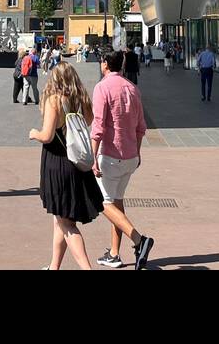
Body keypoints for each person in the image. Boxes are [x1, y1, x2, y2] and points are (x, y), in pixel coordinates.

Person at [29, 64, 105, 270]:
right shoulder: (81, 99)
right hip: (76, 163)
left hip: (58, 163)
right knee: (60, 218)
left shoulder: (54, 99)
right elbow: (90, 121)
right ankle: (54, 267)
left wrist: (34, 133)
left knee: (67, 224)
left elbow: (47, 136)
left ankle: (86, 268)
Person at [91, 50, 155, 270]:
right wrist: (137, 153)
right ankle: (115, 253)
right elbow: (141, 127)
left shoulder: (102, 88)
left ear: (107, 64)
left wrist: (93, 158)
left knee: (102, 202)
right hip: (129, 155)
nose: (100, 64)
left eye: (101, 61)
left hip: (110, 155)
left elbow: (98, 127)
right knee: (117, 202)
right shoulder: (133, 89)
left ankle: (139, 240)